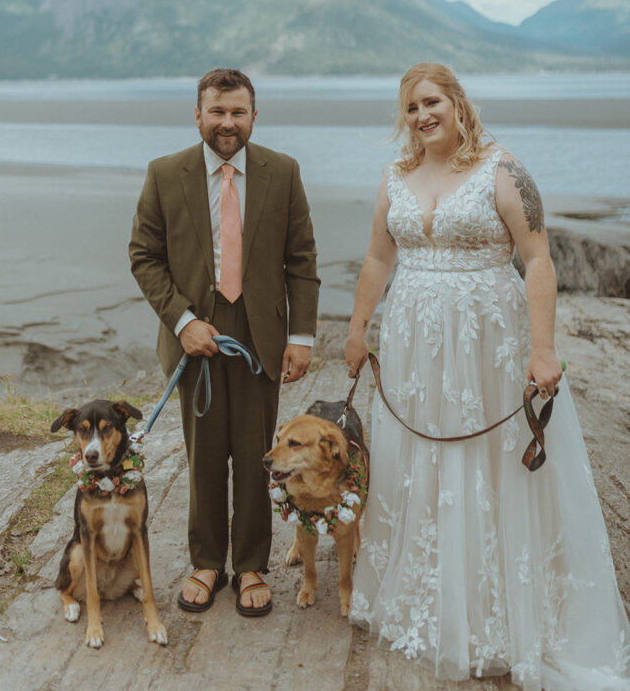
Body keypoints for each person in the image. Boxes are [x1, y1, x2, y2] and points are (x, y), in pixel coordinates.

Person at [344, 63, 629, 691]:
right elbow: (376, 256)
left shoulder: (504, 171)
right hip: (415, 346)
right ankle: (427, 598)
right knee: (419, 461)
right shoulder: (396, 177)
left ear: (456, 102)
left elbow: (536, 260)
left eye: (431, 102)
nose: (422, 116)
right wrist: (358, 327)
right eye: (411, 107)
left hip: (487, 349)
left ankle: (503, 614)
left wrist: (544, 349)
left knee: (491, 465)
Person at [130, 68, 319, 616]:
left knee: (262, 455)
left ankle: (252, 565)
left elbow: (301, 260)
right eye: (217, 111)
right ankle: (207, 561)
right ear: (198, 115)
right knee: (206, 457)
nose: (228, 122)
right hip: (194, 340)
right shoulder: (165, 174)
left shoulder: (282, 172)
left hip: (261, 339)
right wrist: (183, 321)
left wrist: (300, 337)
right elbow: (144, 256)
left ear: (254, 116)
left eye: (238, 112)